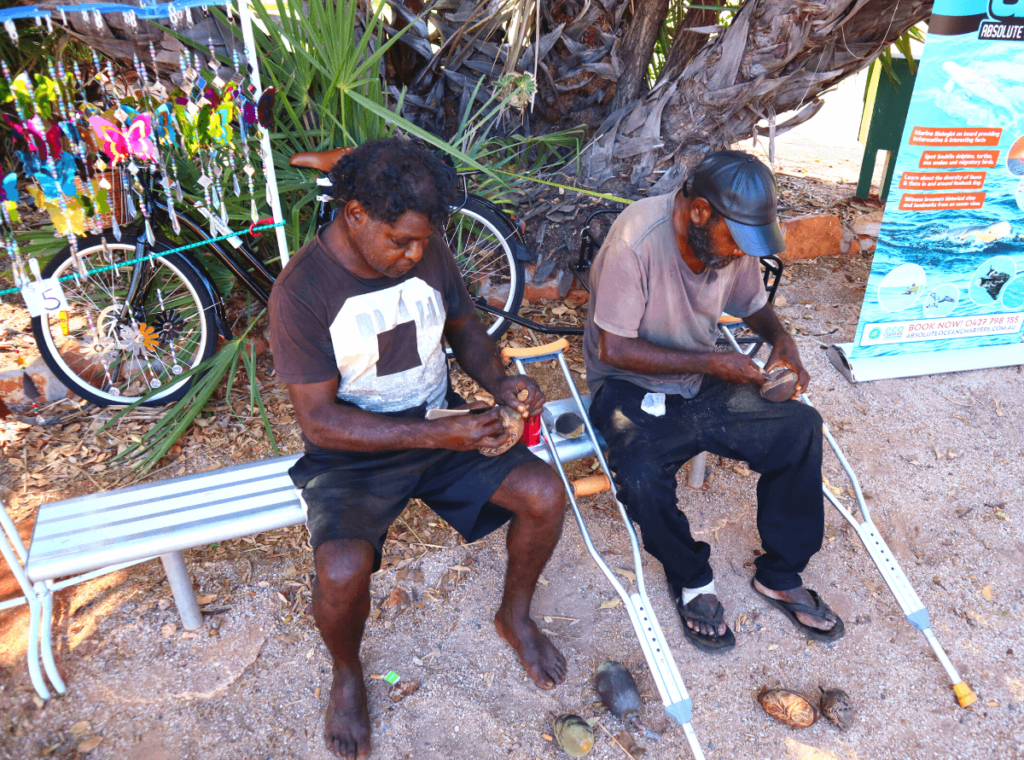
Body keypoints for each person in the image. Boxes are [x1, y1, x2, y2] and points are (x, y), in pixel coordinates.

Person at [269, 138, 567, 759]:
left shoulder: (425, 253)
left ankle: (514, 615)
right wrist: (442, 433)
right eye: (400, 241)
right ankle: (347, 674)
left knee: (543, 493)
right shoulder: (301, 291)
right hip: (352, 451)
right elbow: (321, 422)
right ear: (354, 215)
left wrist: (500, 381)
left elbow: (466, 332)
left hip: (438, 420)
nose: (414, 254)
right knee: (342, 568)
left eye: (422, 241)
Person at [582, 150, 843, 654]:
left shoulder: (729, 243)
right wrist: (714, 363)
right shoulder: (634, 241)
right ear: (700, 211)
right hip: (627, 382)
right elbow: (615, 347)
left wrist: (782, 340)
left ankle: (780, 571)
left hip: (702, 371)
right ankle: (692, 578)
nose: (742, 253)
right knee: (639, 473)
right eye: (737, 240)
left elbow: (754, 306)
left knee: (799, 427)